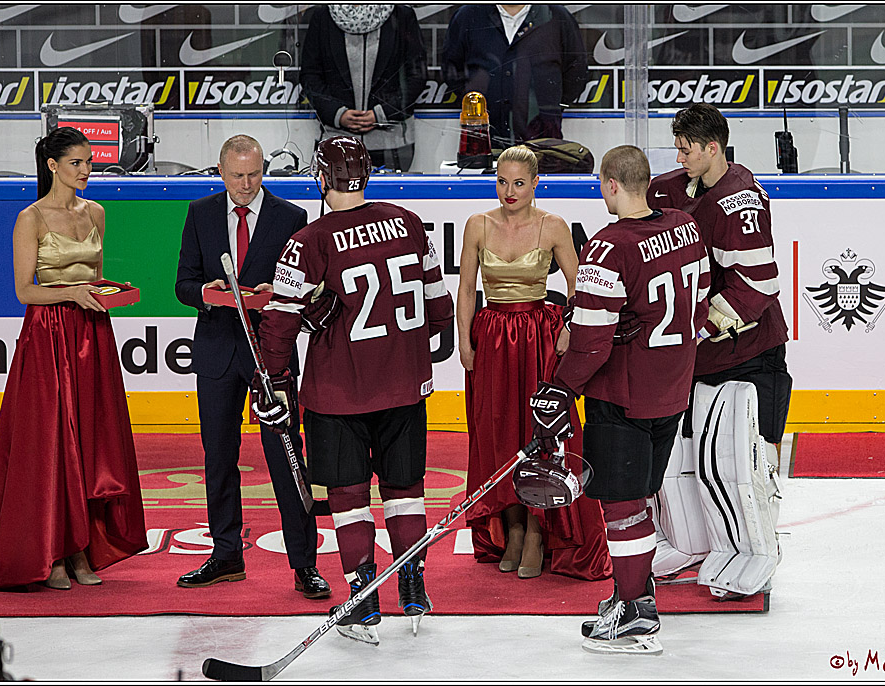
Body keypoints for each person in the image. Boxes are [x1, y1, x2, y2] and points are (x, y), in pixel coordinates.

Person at [256, 136, 454, 644]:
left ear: (321, 179)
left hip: (338, 390)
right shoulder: (408, 222)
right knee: (405, 491)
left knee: (348, 496)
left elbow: (279, 322)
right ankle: (413, 585)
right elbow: (439, 307)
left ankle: (363, 600)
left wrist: (273, 380)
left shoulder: (309, 240)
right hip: (404, 386)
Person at [0, 127, 147, 591]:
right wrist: (72, 294)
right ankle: (54, 552)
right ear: (52, 165)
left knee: (90, 441)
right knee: (52, 442)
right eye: (77, 163)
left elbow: (94, 278)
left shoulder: (96, 212)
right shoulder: (30, 218)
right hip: (48, 336)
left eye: (89, 161)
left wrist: (109, 293)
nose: (86, 170)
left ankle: (81, 548)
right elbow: (24, 291)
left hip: (91, 336)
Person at [529, 145, 709, 654]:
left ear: (610, 184)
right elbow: (699, 303)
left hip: (623, 395)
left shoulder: (607, 247)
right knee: (641, 497)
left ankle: (633, 610)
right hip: (672, 388)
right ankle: (634, 595)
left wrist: (559, 389)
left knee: (622, 506)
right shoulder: (685, 226)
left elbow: (591, 341)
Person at [174, 134, 330, 599]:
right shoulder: (200, 213)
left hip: (271, 354)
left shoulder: (291, 217)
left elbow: (307, 287)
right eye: (237, 175)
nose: (246, 184)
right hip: (217, 352)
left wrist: (274, 293)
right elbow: (183, 284)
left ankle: (304, 564)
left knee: (286, 457)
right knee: (219, 458)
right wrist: (209, 293)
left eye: (255, 174)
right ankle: (226, 556)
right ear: (221, 172)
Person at [646, 103, 790, 594]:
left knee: (737, 461)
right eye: (677, 148)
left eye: (687, 149)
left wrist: (692, 327)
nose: (679, 157)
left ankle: (756, 551)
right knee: (682, 457)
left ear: (713, 148)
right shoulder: (673, 188)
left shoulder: (740, 201)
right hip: (701, 358)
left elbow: (758, 285)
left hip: (750, 355)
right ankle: (694, 543)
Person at [457, 145, 610, 581]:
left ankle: (539, 532)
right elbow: (466, 289)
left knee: (538, 433)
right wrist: (464, 343)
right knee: (497, 435)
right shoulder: (477, 224)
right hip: (491, 339)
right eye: (502, 181)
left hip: (539, 340)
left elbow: (581, 285)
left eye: (519, 183)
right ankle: (513, 529)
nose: (509, 191)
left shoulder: (553, 225)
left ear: (536, 183)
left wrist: (569, 328)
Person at [300, 4, 427, 171]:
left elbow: (416, 76)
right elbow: (310, 76)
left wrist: (381, 114)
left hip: (392, 144)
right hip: (336, 141)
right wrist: (338, 114)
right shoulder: (322, 16)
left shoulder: (402, 15)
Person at [442, 4, 588, 147]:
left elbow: (576, 71)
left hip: (541, 141)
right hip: (483, 140)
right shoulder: (468, 15)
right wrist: (477, 106)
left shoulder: (556, 15)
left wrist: (549, 108)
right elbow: (452, 70)